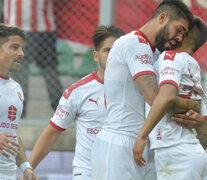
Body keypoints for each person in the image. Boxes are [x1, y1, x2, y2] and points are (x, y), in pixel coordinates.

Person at [91, 1, 205, 180]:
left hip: (144, 144)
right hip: (120, 143)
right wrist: (194, 106)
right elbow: (156, 98)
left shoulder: (159, 53)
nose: (180, 38)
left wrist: (196, 117)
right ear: (162, 18)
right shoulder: (134, 43)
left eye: (184, 34)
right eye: (179, 29)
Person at [29, 25, 125, 179]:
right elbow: (52, 132)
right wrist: (29, 168)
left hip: (124, 172)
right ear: (96, 55)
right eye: (107, 50)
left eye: (117, 50)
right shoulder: (78, 91)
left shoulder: (139, 89)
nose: (113, 55)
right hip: (87, 173)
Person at [133, 16, 207, 180]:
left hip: (174, 152)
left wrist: (142, 136)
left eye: (180, 30)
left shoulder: (171, 57)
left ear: (184, 35)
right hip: (194, 153)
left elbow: (166, 97)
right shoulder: (194, 69)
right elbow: (204, 121)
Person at [3, 0, 63, 117]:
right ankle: (20, 111)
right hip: (24, 29)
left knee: (45, 70)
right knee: (25, 70)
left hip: (40, 30)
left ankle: (60, 109)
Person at [0, 24, 38, 180]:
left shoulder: (17, 89)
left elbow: (13, 134)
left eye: (22, 48)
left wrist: (26, 168)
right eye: (14, 47)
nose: (21, 53)